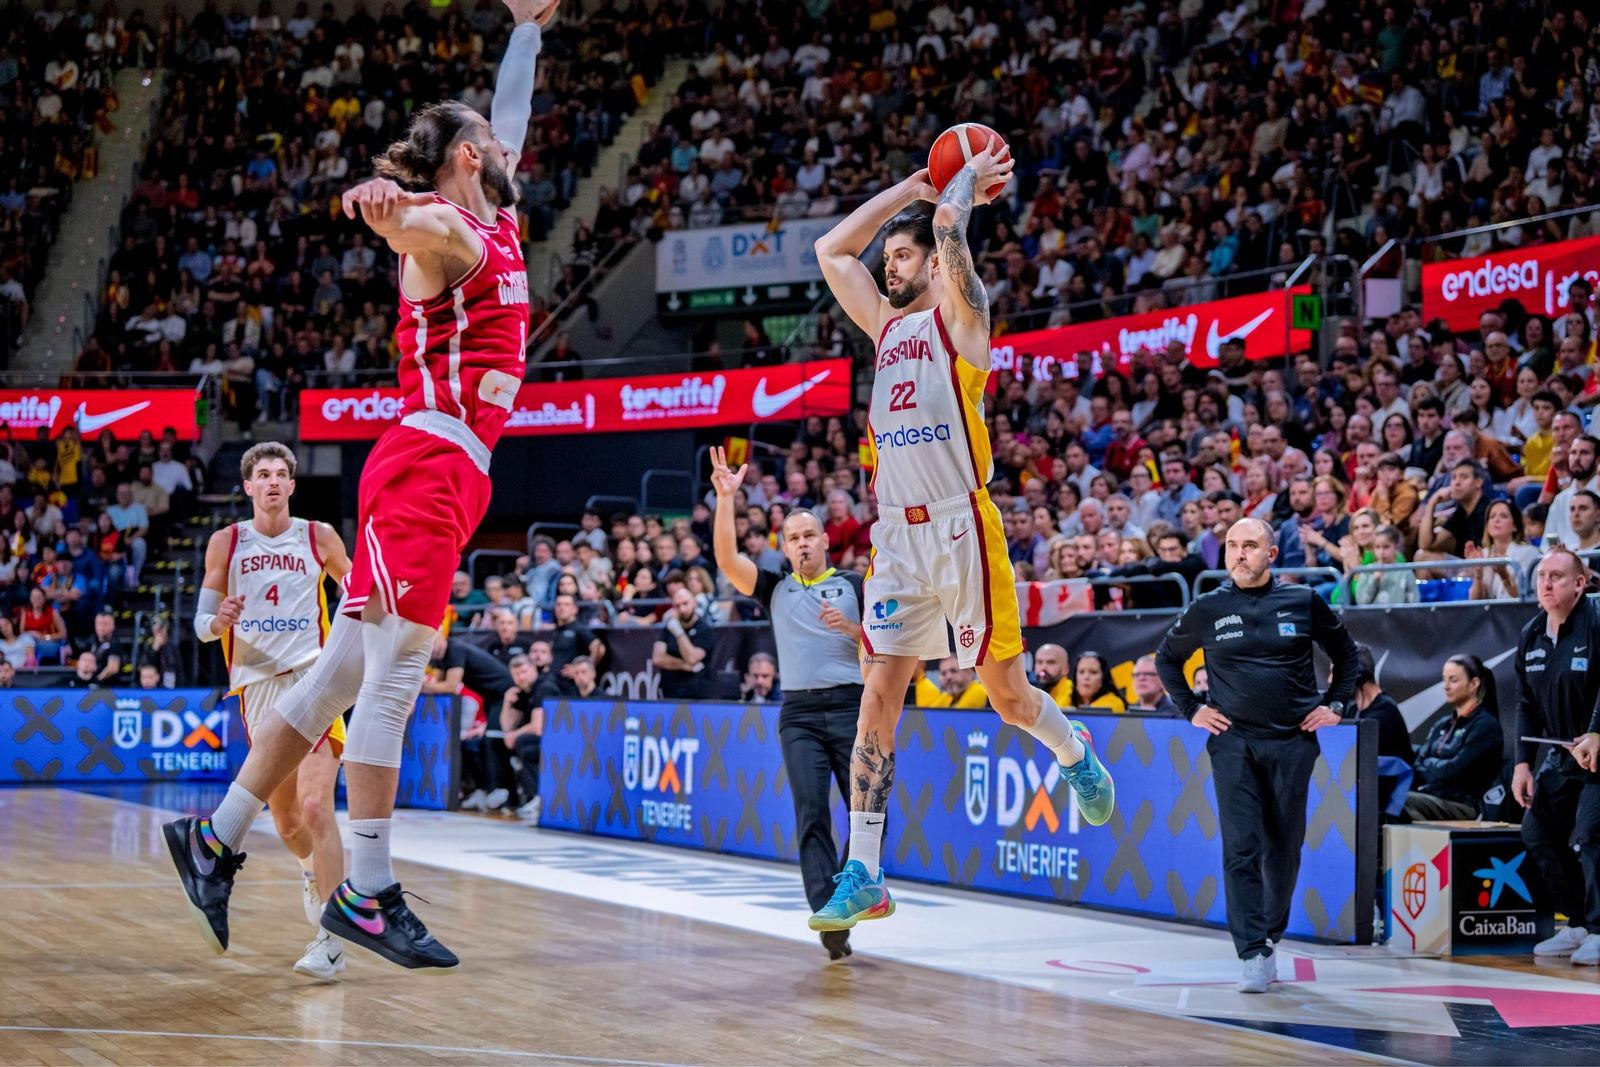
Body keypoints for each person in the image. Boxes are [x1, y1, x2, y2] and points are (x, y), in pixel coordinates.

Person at [162, 0, 557, 973]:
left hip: (443, 468)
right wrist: (388, 202)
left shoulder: (495, 213)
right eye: (487, 145)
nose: (507, 146)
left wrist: (528, 28)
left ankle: (213, 839)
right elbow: (412, 217)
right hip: (427, 464)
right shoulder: (451, 233)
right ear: (468, 159)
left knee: (340, 670)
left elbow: (511, 110)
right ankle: (368, 892)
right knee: (395, 674)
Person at [806, 140, 1112, 936]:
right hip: (896, 541)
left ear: (936, 267)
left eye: (903, 255)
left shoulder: (963, 324)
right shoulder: (883, 326)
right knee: (880, 691)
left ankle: (1070, 746)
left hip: (960, 525)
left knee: (1008, 699)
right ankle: (865, 869)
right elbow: (830, 248)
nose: (891, 266)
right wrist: (903, 187)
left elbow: (955, 247)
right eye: (892, 258)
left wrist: (958, 194)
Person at [1155, 518, 1360, 993]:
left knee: (1282, 847)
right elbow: (1166, 659)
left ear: (1271, 555)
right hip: (1233, 742)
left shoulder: (1303, 601)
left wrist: (1335, 705)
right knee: (1241, 846)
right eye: (1232, 545)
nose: (1240, 553)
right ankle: (1252, 951)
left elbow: (1347, 655)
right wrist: (1192, 709)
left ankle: (1270, 933)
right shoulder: (1208, 607)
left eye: (1250, 545)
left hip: (1292, 740)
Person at [187, 442, 352, 980]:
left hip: (313, 683)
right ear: (249, 486)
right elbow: (201, 624)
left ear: (292, 485)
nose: (274, 482)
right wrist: (220, 620)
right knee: (285, 822)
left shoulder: (318, 535)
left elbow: (354, 596)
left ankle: (331, 939)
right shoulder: (226, 542)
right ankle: (310, 871)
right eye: (264, 474)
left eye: (282, 474)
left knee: (314, 808)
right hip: (257, 691)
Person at [711, 446, 867, 959]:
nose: (801, 543)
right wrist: (726, 500)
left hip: (853, 708)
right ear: (785, 546)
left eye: (809, 535)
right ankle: (828, 912)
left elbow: (892, 648)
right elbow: (728, 560)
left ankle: (849, 892)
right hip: (798, 714)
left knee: (868, 815)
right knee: (811, 812)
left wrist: (854, 628)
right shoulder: (774, 587)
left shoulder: (855, 585)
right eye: (793, 538)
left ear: (826, 541)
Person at [1514, 547, 1600, 965]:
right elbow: (1525, 705)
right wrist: (1522, 763)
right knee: (1537, 832)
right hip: (1561, 754)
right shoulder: (1532, 634)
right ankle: (1580, 924)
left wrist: (1598, 731)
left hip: (1599, 752)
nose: (1546, 584)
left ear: (1579, 583)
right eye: (1541, 576)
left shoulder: (1596, 622)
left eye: (1557, 576)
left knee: (1590, 833)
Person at [424, 631, 518, 812]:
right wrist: (428, 685)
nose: (431, 648)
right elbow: (439, 682)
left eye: (433, 642)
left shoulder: (455, 649)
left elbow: (450, 686)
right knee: (470, 744)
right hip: (489, 699)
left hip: (503, 696)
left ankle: (503, 792)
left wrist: (423, 684)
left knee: (493, 741)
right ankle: (483, 788)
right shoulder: (443, 656)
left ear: (441, 637)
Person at [1404, 654, 1503, 822]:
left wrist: (1431, 763)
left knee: (1401, 802)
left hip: (1463, 806)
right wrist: (1438, 767)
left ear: (1474, 684)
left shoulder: (1486, 726)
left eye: (1453, 680)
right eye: (1444, 680)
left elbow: (1455, 770)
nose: (1446, 686)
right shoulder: (1443, 724)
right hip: (1431, 796)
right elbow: (1419, 762)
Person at [502, 653, 547, 821]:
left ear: (533, 669)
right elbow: (507, 726)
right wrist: (507, 702)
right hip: (538, 739)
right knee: (499, 742)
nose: (521, 677)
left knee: (523, 743)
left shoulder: (543, 686)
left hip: (559, 740)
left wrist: (513, 735)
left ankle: (537, 796)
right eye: (516, 674)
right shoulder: (524, 692)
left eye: (524, 672)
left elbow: (537, 727)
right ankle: (511, 796)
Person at [652, 586, 717, 699]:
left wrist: (679, 633)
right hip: (669, 692)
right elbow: (657, 658)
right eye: (677, 606)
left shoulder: (704, 629)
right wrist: (683, 665)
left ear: (694, 603)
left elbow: (691, 658)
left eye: (685, 603)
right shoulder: (669, 627)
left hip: (695, 695)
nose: (682, 609)